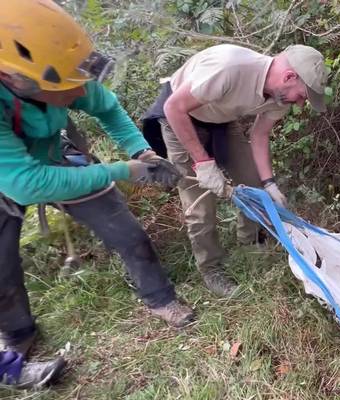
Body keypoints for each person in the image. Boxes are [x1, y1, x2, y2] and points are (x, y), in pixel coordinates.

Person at [0, 0, 196, 364]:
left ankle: (160, 297)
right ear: (16, 80)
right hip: (9, 176)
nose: (79, 95)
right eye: (69, 90)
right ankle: (18, 332)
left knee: (126, 231)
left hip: (50, 153)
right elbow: (24, 182)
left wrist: (142, 154)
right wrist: (123, 171)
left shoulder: (61, 69)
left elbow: (106, 108)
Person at [142, 43, 328, 296]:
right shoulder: (230, 68)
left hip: (220, 118)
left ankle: (249, 243)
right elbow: (174, 107)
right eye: (303, 96)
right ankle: (211, 268)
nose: (300, 104)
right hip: (180, 116)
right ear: (289, 77)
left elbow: (260, 135)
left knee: (253, 181)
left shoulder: (280, 96)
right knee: (199, 203)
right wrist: (204, 163)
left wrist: (269, 183)